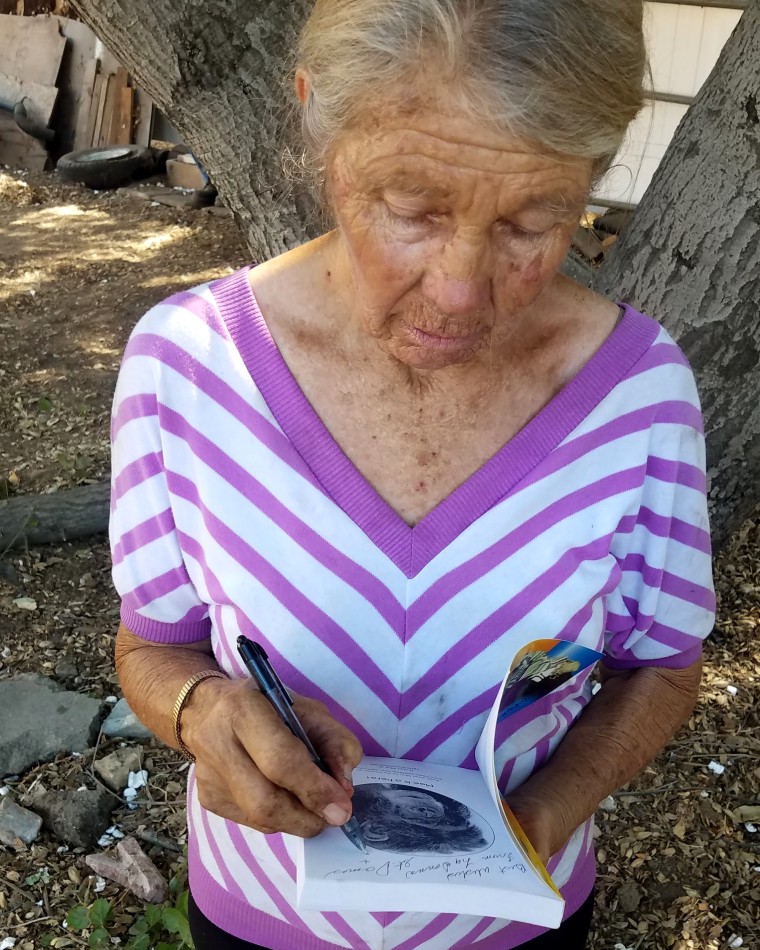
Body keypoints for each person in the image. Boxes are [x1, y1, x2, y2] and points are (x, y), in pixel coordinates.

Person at [108, 1, 715, 948]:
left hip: (521, 921)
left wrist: (540, 824)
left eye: (532, 220)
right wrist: (202, 712)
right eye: (413, 209)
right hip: (263, 917)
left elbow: (664, 665)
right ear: (319, 119)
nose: (462, 291)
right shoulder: (186, 365)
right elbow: (152, 646)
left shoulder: (639, 391)